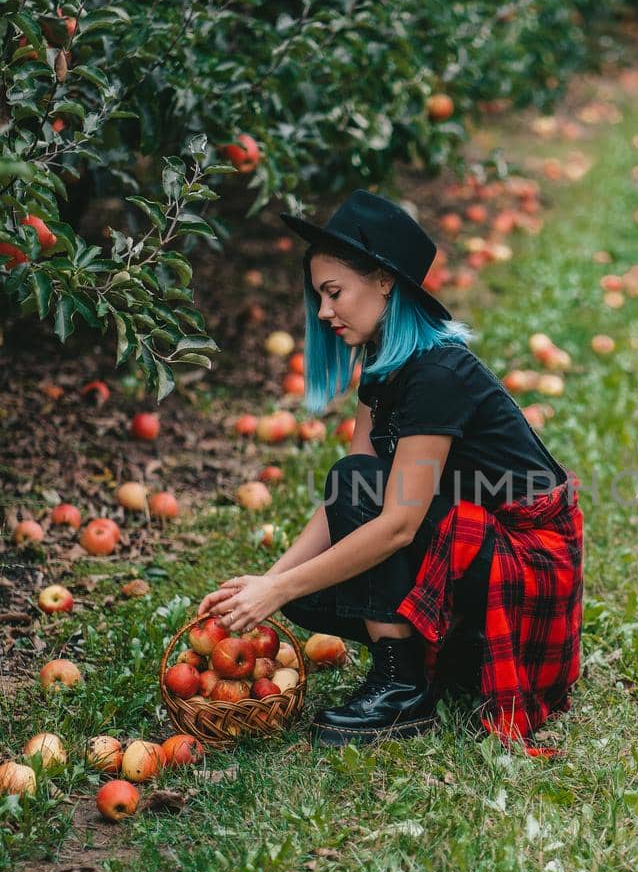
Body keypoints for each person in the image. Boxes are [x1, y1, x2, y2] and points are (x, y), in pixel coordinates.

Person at [197, 189, 584, 752]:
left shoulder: (437, 374)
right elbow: (351, 494)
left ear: (383, 280)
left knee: (342, 529)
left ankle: (403, 686)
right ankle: (450, 656)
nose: (324, 312)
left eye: (334, 293)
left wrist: (277, 587)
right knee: (311, 590)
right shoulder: (384, 365)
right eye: (319, 297)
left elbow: (397, 522)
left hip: (527, 564)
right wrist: (270, 586)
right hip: (473, 542)